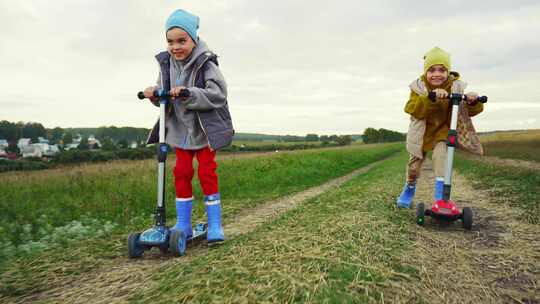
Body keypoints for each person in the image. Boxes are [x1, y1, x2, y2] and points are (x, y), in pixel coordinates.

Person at [143, 9, 234, 243]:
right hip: (180, 131)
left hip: (203, 131)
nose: (175, 47)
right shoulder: (166, 64)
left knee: (206, 173)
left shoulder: (206, 63)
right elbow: (161, 91)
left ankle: (214, 224)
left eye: (182, 41)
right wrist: (154, 94)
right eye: (170, 41)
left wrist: (189, 93)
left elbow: (218, 94)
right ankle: (183, 223)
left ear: (193, 40)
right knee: (181, 172)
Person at [397, 47, 483, 208]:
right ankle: (409, 189)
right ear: (425, 72)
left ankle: (440, 198)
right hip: (421, 133)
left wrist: (473, 101)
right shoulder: (418, 88)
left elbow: (466, 111)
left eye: (442, 70)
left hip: (441, 132)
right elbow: (412, 109)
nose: (437, 74)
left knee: (442, 159)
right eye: (432, 70)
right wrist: (430, 98)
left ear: (448, 71)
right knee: (414, 167)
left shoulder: (455, 87)